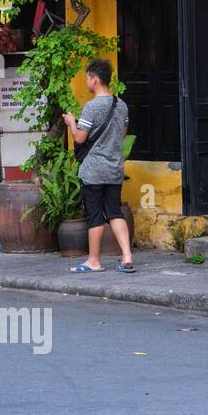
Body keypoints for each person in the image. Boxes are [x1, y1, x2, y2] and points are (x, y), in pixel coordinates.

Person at [61, 59, 133, 273]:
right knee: (114, 212)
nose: (86, 81)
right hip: (114, 168)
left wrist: (71, 122)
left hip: (93, 170)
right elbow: (122, 134)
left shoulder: (91, 107)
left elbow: (81, 138)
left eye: (87, 78)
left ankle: (94, 261)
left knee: (94, 216)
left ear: (95, 79)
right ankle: (127, 256)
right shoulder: (121, 105)